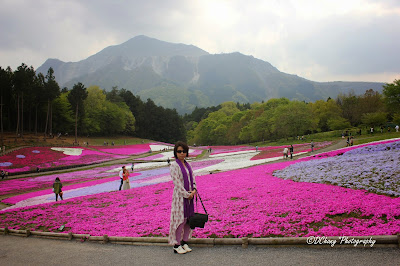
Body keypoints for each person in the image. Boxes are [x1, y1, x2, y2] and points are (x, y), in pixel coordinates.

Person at [168, 141, 197, 254]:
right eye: (179, 151)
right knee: (181, 220)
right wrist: (187, 194)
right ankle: (177, 245)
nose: (182, 153)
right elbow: (177, 183)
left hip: (190, 196)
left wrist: (194, 190)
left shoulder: (187, 164)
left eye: (184, 151)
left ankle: (185, 242)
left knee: (188, 220)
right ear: (175, 152)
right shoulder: (174, 166)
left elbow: (193, 179)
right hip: (180, 197)